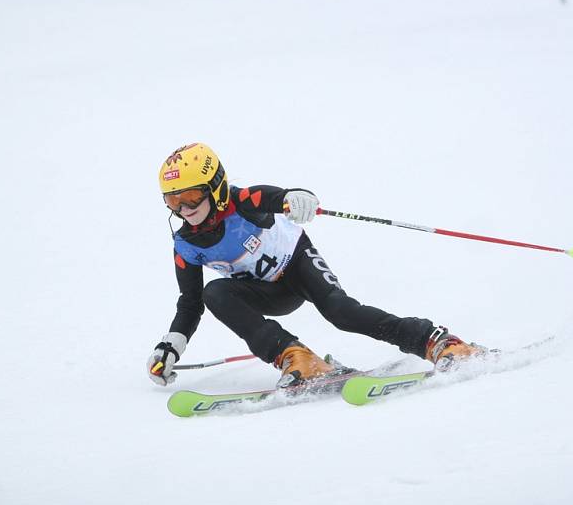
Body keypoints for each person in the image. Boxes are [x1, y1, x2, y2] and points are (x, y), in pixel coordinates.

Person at [147, 143, 487, 387]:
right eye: (172, 199)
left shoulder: (240, 201)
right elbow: (189, 303)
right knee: (214, 292)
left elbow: (273, 196)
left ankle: (438, 341)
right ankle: (297, 357)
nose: (183, 208)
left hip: (297, 264)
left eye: (190, 196)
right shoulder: (186, 244)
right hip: (266, 293)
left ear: (215, 188)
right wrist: (170, 346)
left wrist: (294, 198)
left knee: (342, 312)